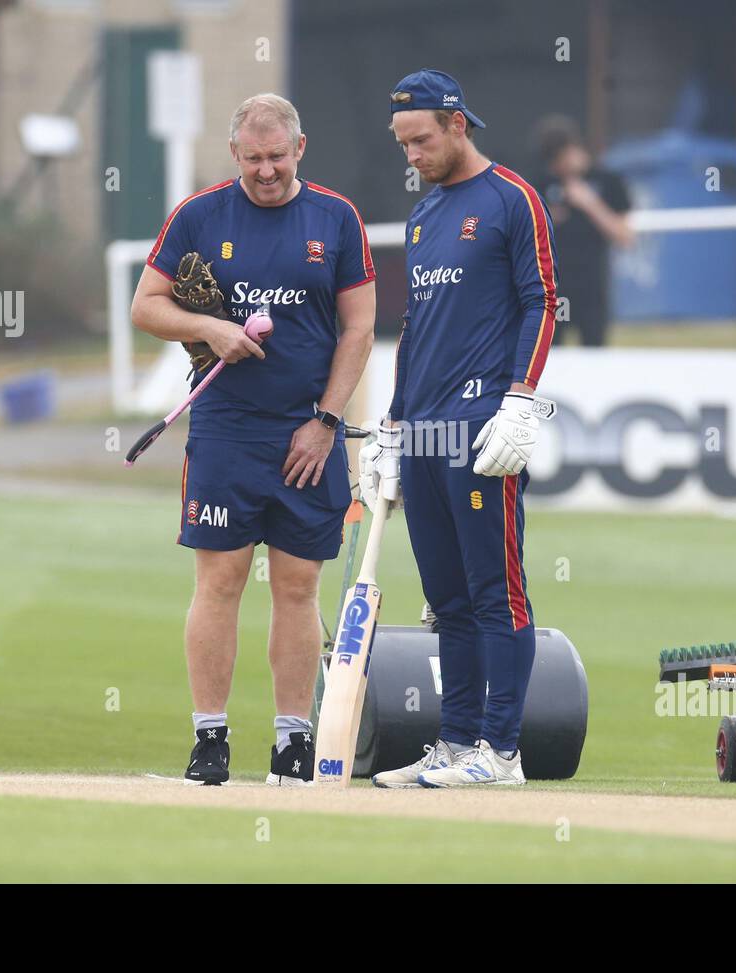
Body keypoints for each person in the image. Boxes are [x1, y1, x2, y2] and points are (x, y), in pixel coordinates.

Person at [130, 93, 376, 786]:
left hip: (309, 434)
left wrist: (326, 422)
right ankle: (210, 739)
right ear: (233, 154)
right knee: (221, 580)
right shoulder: (199, 216)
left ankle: (292, 743)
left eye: (277, 157)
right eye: (252, 158)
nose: (266, 171)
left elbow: (358, 329)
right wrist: (208, 329)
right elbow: (145, 304)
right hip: (227, 432)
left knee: (298, 587)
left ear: (301, 148)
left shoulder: (336, 217)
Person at [360, 69, 557, 788]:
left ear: (456, 124)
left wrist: (520, 398)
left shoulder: (513, 199)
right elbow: (415, 330)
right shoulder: (422, 218)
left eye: (420, 140)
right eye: (403, 144)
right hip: (423, 433)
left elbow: (541, 302)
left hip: (482, 428)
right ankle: (456, 741)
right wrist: (390, 424)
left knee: (493, 592)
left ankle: (501, 752)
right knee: (446, 601)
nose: (411, 155)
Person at [531, 114, 631, 347]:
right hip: (551, 292)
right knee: (548, 361)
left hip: (593, 290)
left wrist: (590, 204)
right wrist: (548, 220)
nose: (557, 167)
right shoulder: (542, 183)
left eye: (561, 158)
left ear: (574, 148)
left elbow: (625, 236)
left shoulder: (608, 180)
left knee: (595, 364)